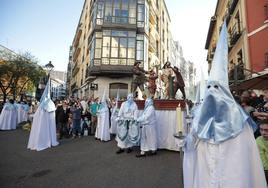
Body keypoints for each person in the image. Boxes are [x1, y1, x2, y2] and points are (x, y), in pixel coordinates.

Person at [188, 21, 267, 187]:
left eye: (217, 87)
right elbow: (192, 142)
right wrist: (186, 141)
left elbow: (248, 157)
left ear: (226, 92)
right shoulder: (199, 118)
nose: (212, 93)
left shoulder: (240, 121)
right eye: (209, 88)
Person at [27, 79, 59, 151]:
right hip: (45, 122)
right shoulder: (48, 104)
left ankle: (41, 141)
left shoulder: (44, 104)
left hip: (44, 122)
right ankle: (46, 140)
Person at [256, 119, 268, 183]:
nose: (263, 132)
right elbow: (263, 161)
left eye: (266, 130)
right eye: (261, 129)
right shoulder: (258, 140)